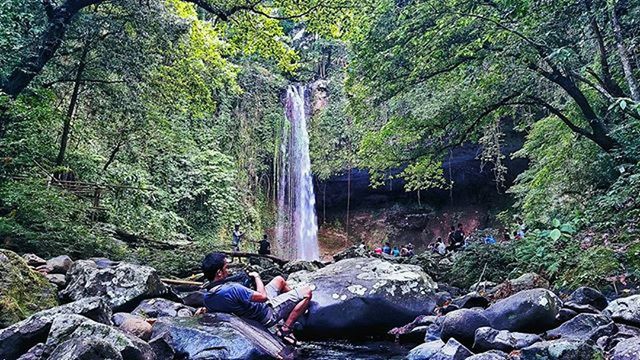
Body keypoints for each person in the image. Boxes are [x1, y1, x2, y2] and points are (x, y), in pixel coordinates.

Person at [201, 252, 312, 345]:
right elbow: (263, 297)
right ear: (219, 273)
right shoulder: (233, 288)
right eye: (226, 268)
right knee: (307, 292)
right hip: (267, 312)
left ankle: (295, 308)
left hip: (252, 310)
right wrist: (257, 277)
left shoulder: (207, 297)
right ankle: (286, 329)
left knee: (279, 280)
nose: (228, 271)